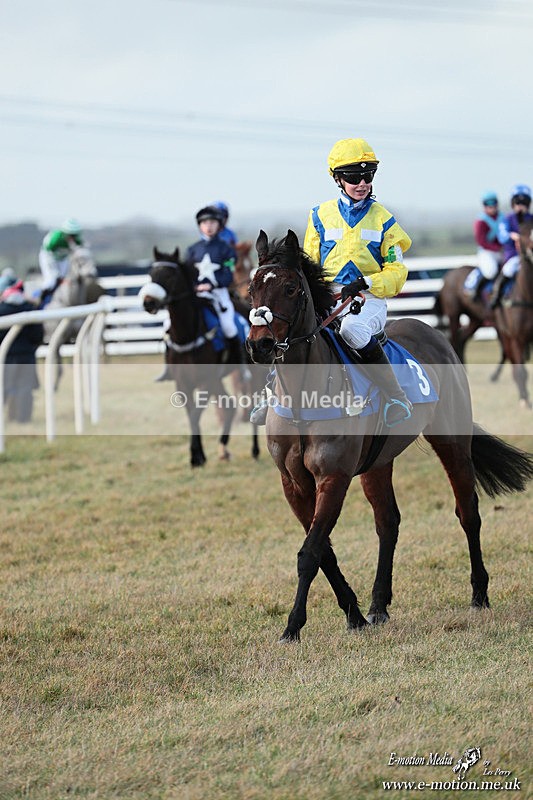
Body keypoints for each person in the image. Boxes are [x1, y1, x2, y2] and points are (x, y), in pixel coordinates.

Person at [187, 205, 249, 377]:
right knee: (169, 325)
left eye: (212, 222)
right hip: (196, 296)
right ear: (199, 225)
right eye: (205, 222)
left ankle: (240, 364)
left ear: (219, 225)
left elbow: (228, 275)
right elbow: (188, 275)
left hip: (218, 295)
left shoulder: (227, 250)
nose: (209, 226)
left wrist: (212, 285)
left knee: (229, 327)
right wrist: (193, 286)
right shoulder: (192, 250)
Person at [0, 279, 44, 423]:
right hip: (27, 356)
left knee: (3, 389)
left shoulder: (2, 310)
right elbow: (38, 336)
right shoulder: (31, 308)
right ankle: (23, 420)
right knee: (25, 388)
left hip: (5, 358)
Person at [490, 184, 533, 309]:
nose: (520, 206)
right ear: (513, 204)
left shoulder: (531, 219)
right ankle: (497, 295)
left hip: (530, 256)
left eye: (524, 203)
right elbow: (502, 236)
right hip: (514, 255)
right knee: (509, 269)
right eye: (518, 203)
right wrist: (511, 236)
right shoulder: (507, 219)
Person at [464, 191, 504, 301]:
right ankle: (474, 286)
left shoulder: (502, 217)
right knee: (490, 271)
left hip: (502, 250)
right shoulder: (481, 221)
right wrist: (497, 248)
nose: (491, 207)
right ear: (484, 205)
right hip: (487, 251)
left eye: (493, 203)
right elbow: (481, 241)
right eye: (488, 204)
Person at [38, 218, 85, 304]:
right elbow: (48, 251)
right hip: (49, 257)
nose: (72, 238)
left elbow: (80, 250)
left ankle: (57, 298)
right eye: (70, 235)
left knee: (63, 278)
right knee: (51, 279)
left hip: (62, 258)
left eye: (74, 235)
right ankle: (40, 300)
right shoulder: (55, 238)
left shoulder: (76, 240)